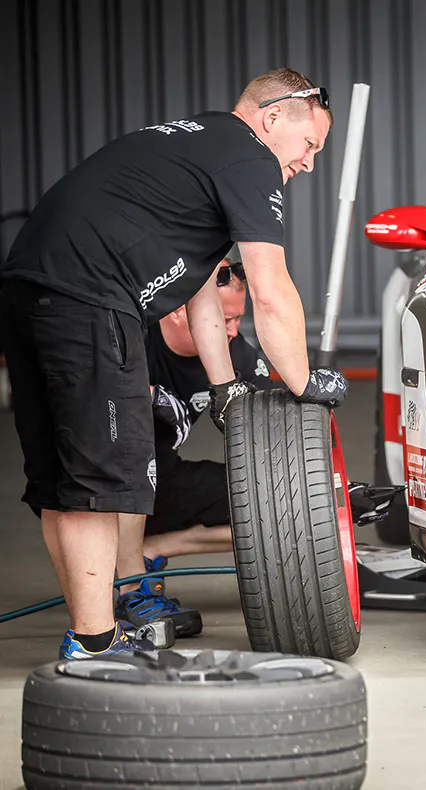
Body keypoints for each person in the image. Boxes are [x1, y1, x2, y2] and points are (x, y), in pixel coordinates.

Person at [0, 68, 347, 660]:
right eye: (310, 144)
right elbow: (269, 286)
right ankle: (96, 645)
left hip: (27, 292)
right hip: (91, 299)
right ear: (272, 117)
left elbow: (200, 287)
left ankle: (93, 631)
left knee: (60, 486)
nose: (310, 163)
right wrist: (302, 379)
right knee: (102, 485)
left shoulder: (195, 145)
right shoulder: (249, 157)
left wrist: (225, 385)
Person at [112, 257, 278, 639]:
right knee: (131, 460)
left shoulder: (238, 353)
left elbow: (275, 422)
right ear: (177, 311)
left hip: (165, 485)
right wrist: (147, 395)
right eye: (225, 319)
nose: (233, 332)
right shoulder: (134, 333)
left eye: (238, 319)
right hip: (106, 489)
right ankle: (130, 588)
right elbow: (84, 380)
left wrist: (325, 489)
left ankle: (155, 547)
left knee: (279, 504)